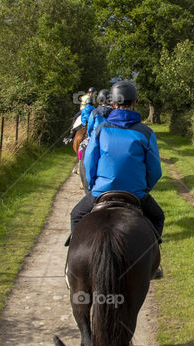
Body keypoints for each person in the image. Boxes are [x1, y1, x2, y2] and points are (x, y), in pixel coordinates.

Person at [68, 80, 165, 277]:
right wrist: (143, 189)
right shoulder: (146, 133)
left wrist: (93, 189)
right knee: (157, 216)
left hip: (101, 192)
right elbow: (155, 171)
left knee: (76, 215)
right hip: (136, 194)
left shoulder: (101, 129)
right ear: (135, 103)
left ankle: (72, 263)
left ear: (113, 104)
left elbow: (88, 164)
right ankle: (153, 267)